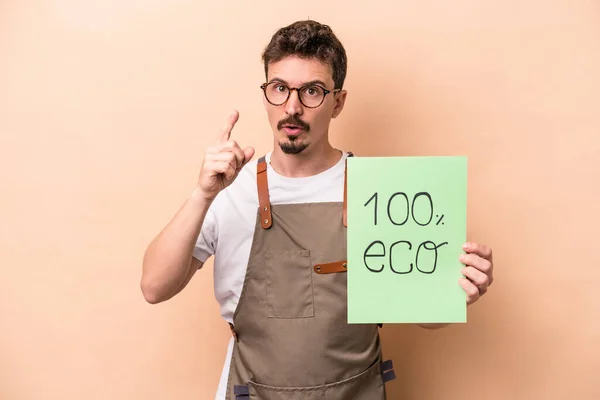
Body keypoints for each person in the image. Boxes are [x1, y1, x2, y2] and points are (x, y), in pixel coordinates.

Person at [141, 20, 494, 400]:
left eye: (312, 91)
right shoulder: (230, 188)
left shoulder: (380, 192)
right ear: (265, 95)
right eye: (279, 89)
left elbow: (428, 317)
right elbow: (154, 287)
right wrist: (201, 194)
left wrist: (457, 290)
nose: (292, 108)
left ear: (337, 102)